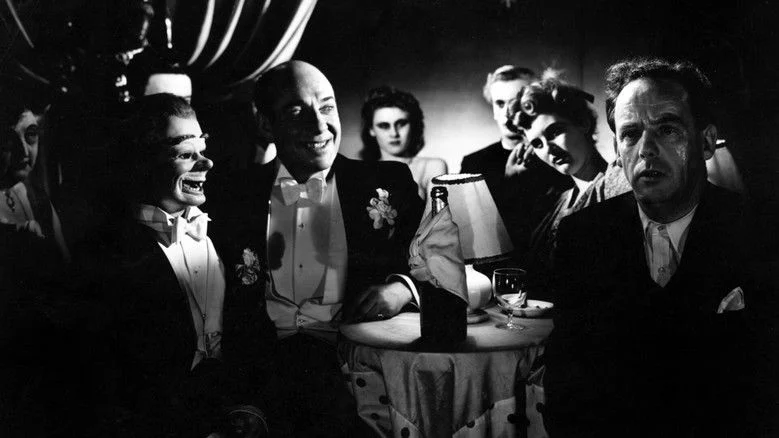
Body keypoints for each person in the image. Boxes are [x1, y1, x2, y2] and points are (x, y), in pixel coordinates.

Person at [210, 60, 424, 437]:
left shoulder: (388, 181)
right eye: (297, 111)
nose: (320, 125)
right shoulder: (231, 194)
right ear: (266, 125)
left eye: (327, 107)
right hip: (262, 388)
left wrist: (401, 289)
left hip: (360, 380)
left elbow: (450, 265)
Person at [543, 58, 755, 437]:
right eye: (630, 134)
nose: (646, 149)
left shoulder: (759, 232)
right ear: (617, 149)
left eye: (667, 129)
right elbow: (566, 391)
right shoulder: (582, 236)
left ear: (706, 141)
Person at [87, 93, 275, 437]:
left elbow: (254, 333)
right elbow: (109, 379)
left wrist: (251, 409)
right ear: (144, 162)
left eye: (203, 149)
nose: (207, 163)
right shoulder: (107, 255)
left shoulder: (229, 233)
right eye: (187, 154)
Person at [510, 71, 608, 289]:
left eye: (554, 132)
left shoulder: (617, 186)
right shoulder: (556, 203)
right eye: (537, 144)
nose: (549, 150)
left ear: (582, 123)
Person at [460, 65, 571, 252]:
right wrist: (509, 185)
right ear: (493, 110)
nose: (507, 113)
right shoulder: (474, 163)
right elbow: (469, 234)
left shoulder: (556, 155)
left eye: (516, 102)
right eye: (500, 103)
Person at [360, 86, 447, 200]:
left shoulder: (432, 166)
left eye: (401, 123)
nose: (394, 133)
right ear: (371, 130)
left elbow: (437, 211)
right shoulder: (360, 174)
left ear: (413, 125)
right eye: (384, 126)